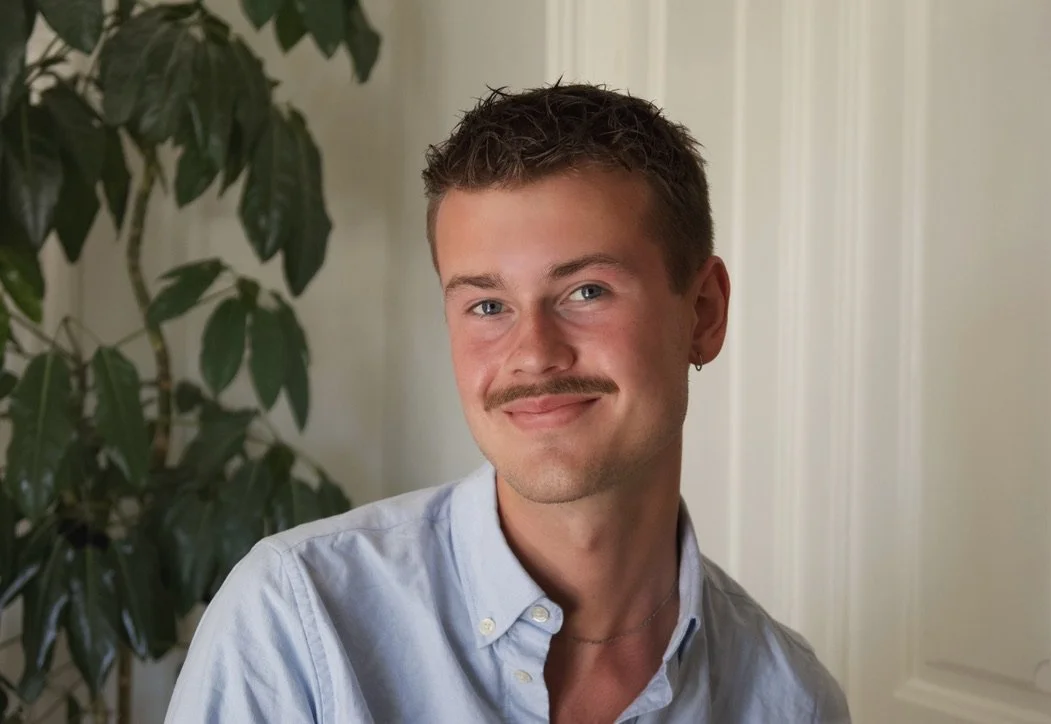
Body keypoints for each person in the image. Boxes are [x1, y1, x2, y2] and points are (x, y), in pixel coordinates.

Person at [166, 83, 851, 723]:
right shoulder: (294, 621)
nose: (533, 354)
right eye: (488, 305)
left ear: (702, 312)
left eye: (586, 291)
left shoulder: (788, 699)